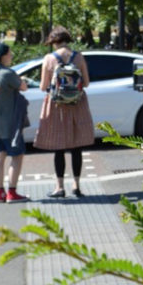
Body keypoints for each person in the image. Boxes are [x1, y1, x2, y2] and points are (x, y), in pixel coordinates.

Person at [33, 26, 94, 198]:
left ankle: (59, 187)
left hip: (57, 106)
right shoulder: (79, 57)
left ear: (53, 41)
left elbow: (43, 87)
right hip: (77, 104)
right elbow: (87, 83)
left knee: (58, 147)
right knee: (76, 147)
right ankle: (77, 185)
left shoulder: (49, 59)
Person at [0, 42, 30, 204]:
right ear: (3, 56)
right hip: (9, 123)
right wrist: (22, 79)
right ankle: (12, 193)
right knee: (17, 155)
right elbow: (23, 87)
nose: (12, 56)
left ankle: (0, 193)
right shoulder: (7, 73)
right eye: (9, 53)